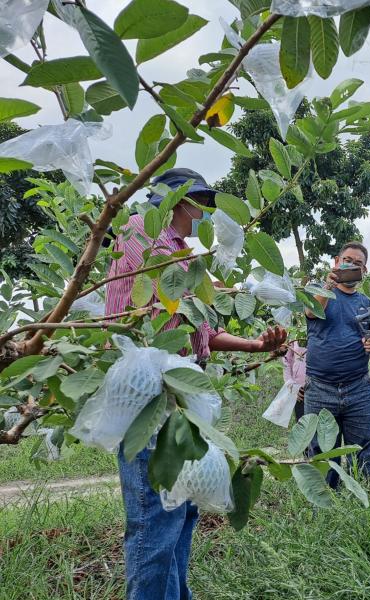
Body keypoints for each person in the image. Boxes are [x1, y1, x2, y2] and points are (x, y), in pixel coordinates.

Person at [106, 168, 287, 600]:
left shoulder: (180, 252)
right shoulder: (141, 231)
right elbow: (180, 301)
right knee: (156, 517)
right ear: (182, 201)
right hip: (153, 390)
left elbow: (195, 331)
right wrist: (228, 286)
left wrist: (255, 344)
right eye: (203, 203)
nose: (207, 213)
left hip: (181, 386)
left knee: (181, 511)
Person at [304, 242, 370, 487]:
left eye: (357, 263)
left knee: (361, 451)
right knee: (321, 453)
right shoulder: (318, 293)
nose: (351, 265)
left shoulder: (369, 304)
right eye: (346, 260)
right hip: (320, 389)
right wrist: (327, 286)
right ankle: (326, 506)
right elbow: (310, 312)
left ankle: (365, 502)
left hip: (358, 388)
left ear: (364, 270)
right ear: (336, 263)